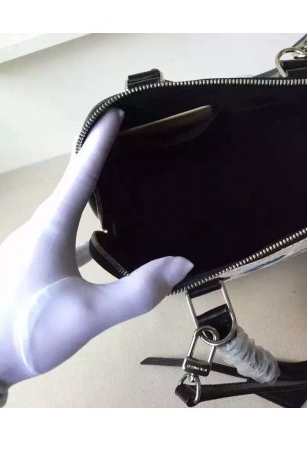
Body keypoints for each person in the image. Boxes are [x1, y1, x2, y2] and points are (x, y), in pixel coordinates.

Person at [0, 109, 193, 407]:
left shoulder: (34, 351)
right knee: (77, 178)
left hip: (30, 342)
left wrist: (182, 266)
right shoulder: (34, 348)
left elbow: (140, 293)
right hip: (27, 328)